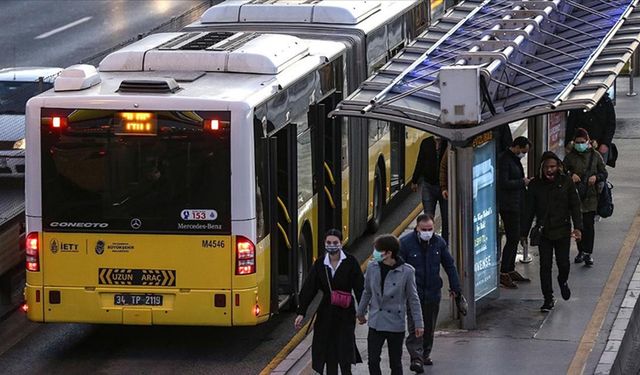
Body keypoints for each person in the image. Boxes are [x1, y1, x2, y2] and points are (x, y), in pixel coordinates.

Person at [295, 229, 364, 375]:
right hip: (326, 313)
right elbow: (309, 289)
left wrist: (362, 311)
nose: (332, 245)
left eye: (335, 243)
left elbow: (360, 288)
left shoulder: (351, 262)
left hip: (346, 312)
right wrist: (301, 312)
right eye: (328, 242)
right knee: (329, 353)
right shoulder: (320, 264)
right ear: (324, 243)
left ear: (341, 243)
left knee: (345, 352)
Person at [399, 213, 462, 373]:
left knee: (429, 327)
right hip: (414, 294)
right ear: (417, 229)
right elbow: (398, 269)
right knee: (415, 327)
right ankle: (416, 358)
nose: (427, 232)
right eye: (424, 229)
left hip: (433, 293)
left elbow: (449, 265)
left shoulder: (439, 243)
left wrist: (456, 288)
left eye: (430, 229)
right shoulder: (405, 244)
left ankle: (425, 354)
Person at [524, 152, 583, 312]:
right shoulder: (535, 185)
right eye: (547, 167)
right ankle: (548, 298)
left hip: (563, 230)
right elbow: (529, 210)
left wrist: (578, 227)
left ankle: (562, 281)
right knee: (545, 266)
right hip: (545, 231)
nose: (550, 170)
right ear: (542, 168)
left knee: (563, 263)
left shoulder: (566, 182)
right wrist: (523, 232)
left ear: (558, 167)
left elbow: (575, 206)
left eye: (553, 167)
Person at [356, 234, 424, 375]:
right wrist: (360, 312)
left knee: (395, 363)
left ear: (388, 253)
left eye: (377, 250)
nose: (374, 253)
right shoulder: (372, 268)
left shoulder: (407, 272)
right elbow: (367, 291)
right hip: (376, 322)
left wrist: (419, 323)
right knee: (373, 361)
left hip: (395, 324)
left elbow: (413, 299)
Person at [563, 128, 608, 267]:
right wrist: (571, 175)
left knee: (589, 225)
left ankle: (588, 252)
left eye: (582, 142)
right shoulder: (570, 157)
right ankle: (580, 250)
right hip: (575, 197)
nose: (580, 144)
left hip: (591, 196)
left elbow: (604, 173)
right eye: (577, 142)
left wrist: (596, 177)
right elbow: (562, 172)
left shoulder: (595, 156)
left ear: (588, 141)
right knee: (578, 225)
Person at [497, 136, 532, 289]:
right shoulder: (505, 160)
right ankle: (504, 272)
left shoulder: (512, 159)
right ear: (517, 147)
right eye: (523, 151)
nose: (523, 154)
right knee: (512, 238)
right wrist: (522, 182)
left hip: (515, 203)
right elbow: (503, 182)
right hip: (508, 205)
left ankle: (510, 269)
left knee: (515, 237)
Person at [410, 136, 449, 242]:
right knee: (428, 216)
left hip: (444, 187)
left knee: (446, 219)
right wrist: (415, 180)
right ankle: (428, 242)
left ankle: (444, 244)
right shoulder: (426, 143)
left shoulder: (448, 143)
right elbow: (420, 161)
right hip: (428, 185)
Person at [566, 93, 616, 163]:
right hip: (580, 144)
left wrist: (605, 143)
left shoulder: (606, 102)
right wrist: (568, 143)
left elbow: (611, 125)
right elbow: (571, 124)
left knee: (599, 168)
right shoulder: (579, 102)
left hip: (599, 143)